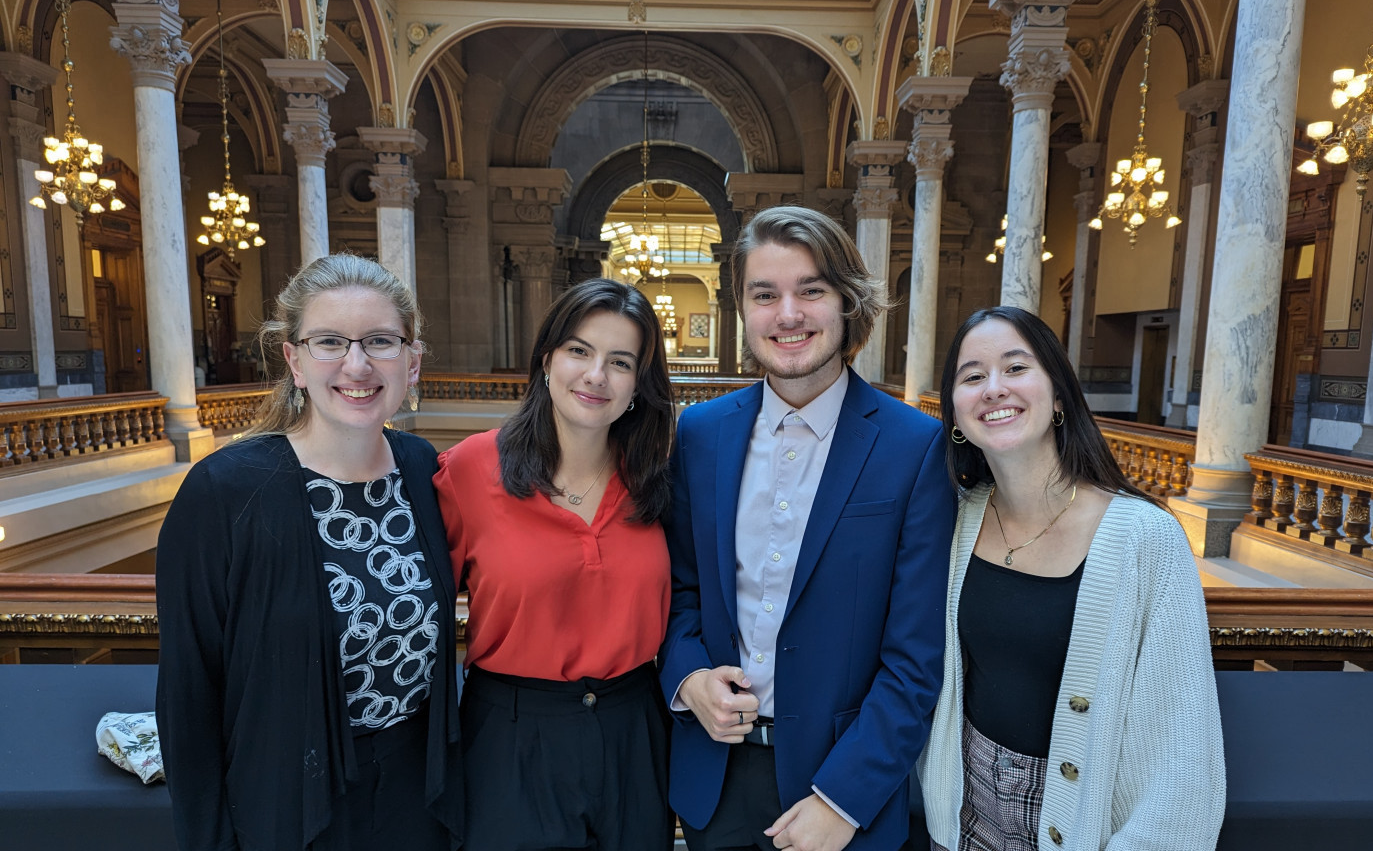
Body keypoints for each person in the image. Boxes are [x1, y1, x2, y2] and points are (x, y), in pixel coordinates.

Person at [659, 205, 957, 851]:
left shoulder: (913, 447)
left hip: (842, 789)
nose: (787, 315)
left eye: (811, 291)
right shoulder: (701, 435)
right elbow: (678, 590)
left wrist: (843, 799)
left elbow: (914, 659)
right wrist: (689, 678)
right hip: (718, 779)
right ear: (742, 309)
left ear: (847, 303)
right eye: (765, 295)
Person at [155, 253, 463, 851]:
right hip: (285, 803)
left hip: (415, 799)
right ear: (294, 360)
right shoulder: (224, 491)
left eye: (380, 341)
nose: (357, 364)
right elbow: (189, 694)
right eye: (329, 342)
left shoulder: (425, 470)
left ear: (412, 361)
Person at [919, 306, 1226, 851]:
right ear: (956, 413)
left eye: (1016, 368)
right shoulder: (956, 518)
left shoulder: (1144, 538)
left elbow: (1184, 750)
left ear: (1058, 395)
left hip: (1082, 821)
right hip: (963, 817)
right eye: (972, 377)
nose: (994, 389)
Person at [434, 278, 676, 850]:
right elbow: (419, 610)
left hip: (634, 730)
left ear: (639, 385)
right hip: (512, 734)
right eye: (579, 351)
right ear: (546, 361)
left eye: (621, 362)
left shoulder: (660, 479)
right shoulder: (471, 467)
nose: (596, 376)